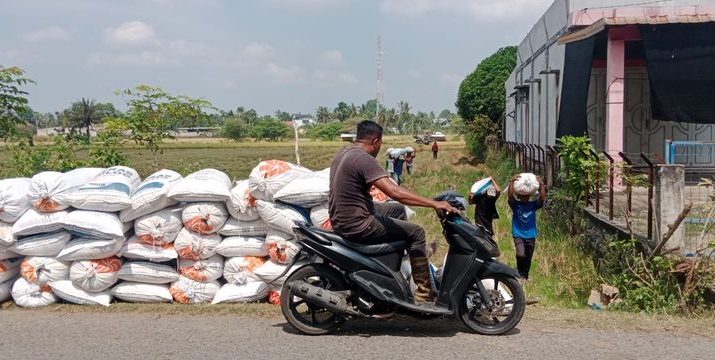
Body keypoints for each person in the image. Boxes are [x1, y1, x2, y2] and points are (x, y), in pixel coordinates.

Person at [328, 120, 458, 305]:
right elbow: (396, 193)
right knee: (417, 233)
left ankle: (404, 257)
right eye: (380, 144)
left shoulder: (344, 152)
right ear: (376, 141)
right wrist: (435, 204)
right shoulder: (363, 158)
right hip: (358, 223)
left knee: (396, 210)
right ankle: (424, 293)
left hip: (343, 217)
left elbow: (395, 201)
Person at [507, 175, 547, 282]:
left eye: (526, 196)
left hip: (531, 235)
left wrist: (541, 184)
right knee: (521, 254)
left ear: (529, 196)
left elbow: (542, 198)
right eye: (522, 196)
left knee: (528, 256)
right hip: (518, 234)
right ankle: (520, 273)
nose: (524, 197)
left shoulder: (533, 205)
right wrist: (512, 181)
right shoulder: (515, 205)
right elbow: (510, 196)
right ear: (519, 196)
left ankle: (525, 275)